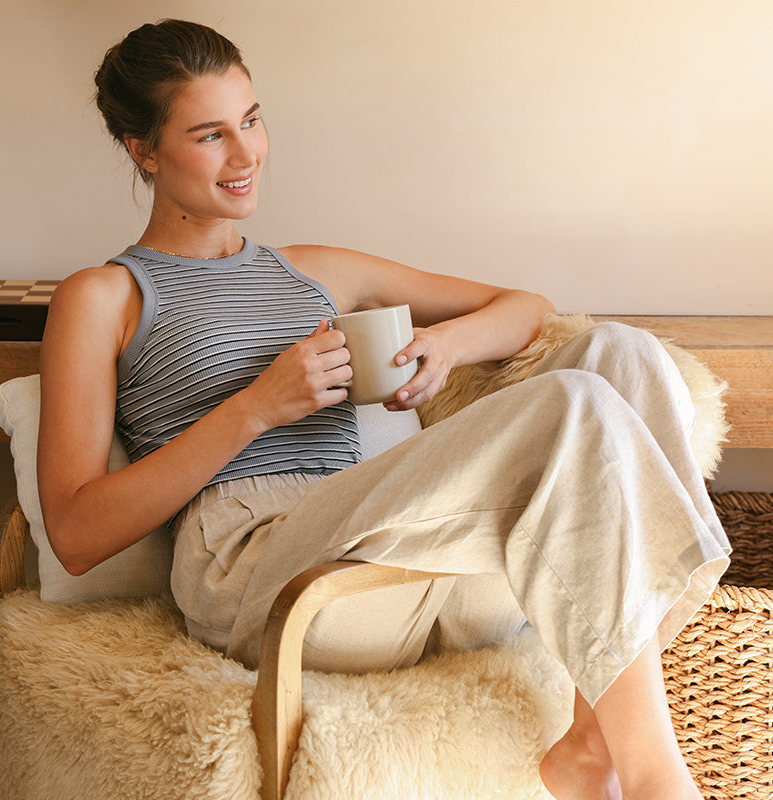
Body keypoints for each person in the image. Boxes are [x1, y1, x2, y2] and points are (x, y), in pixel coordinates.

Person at [36, 19, 729, 800]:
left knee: (623, 355)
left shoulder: (317, 271)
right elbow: (75, 532)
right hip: (266, 572)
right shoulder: (105, 297)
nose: (246, 154)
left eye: (253, 120)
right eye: (210, 134)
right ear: (143, 148)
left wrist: (449, 347)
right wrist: (258, 408)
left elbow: (526, 308)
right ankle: (656, 782)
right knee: (575, 402)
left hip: (410, 556)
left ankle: (587, 743)